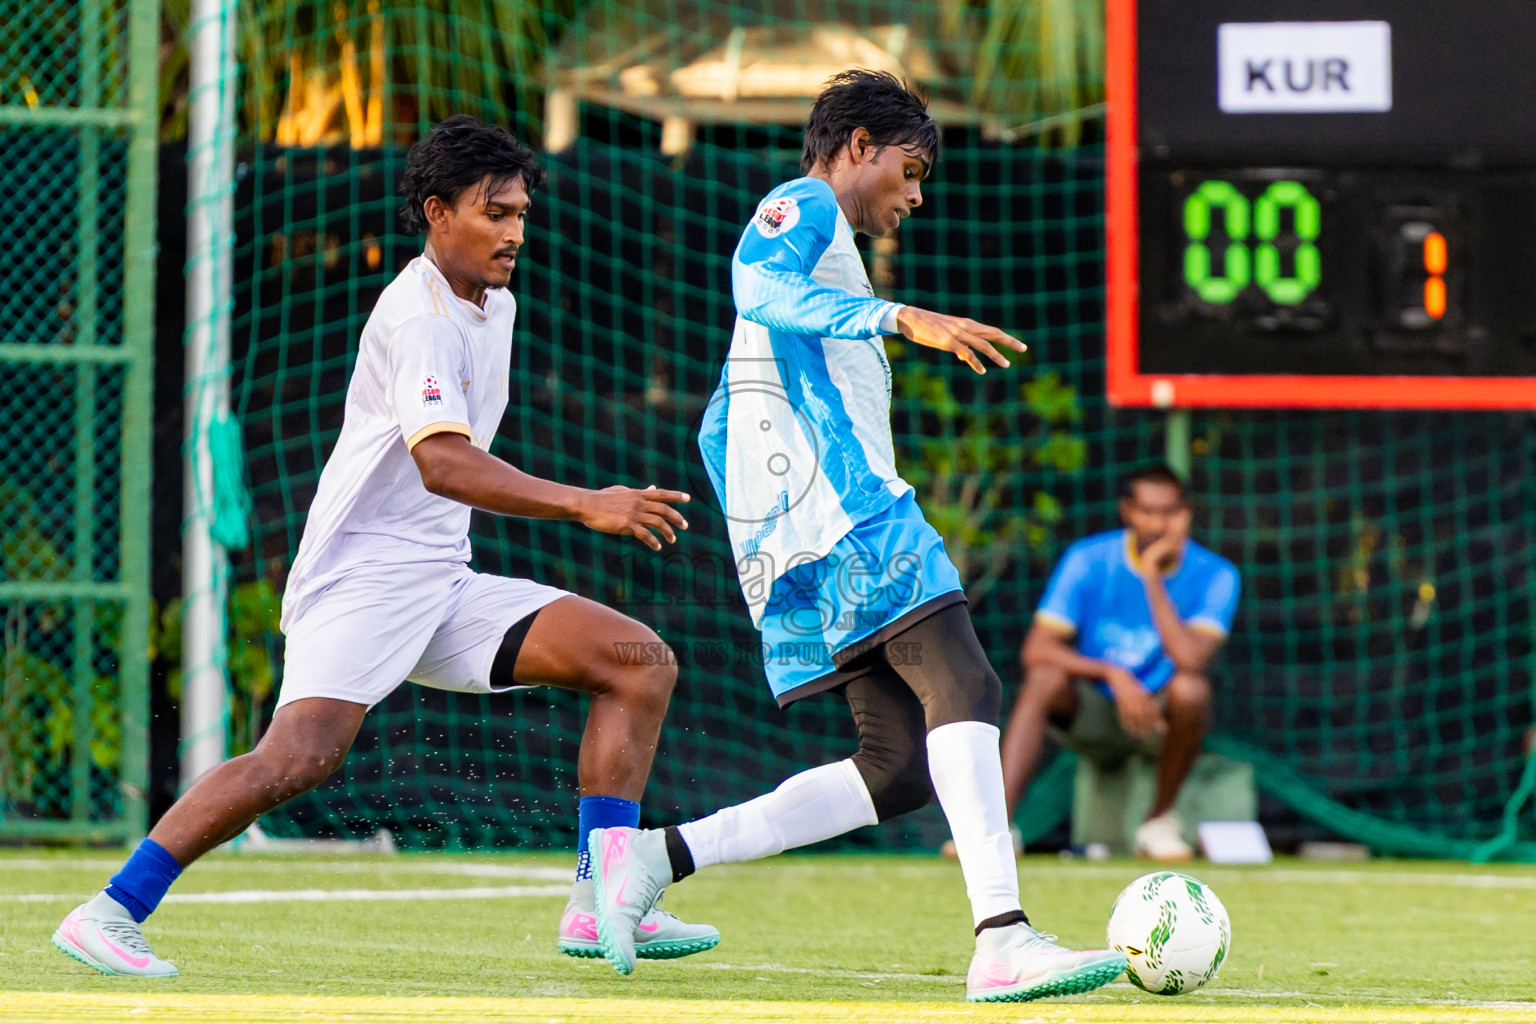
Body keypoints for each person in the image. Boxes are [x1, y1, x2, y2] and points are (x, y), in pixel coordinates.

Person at [52, 115, 717, 977]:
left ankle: (599, 901)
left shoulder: (495, 305)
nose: (514, 231)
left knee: (639, 661)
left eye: (520, 213)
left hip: (440, 578)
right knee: (300, 757)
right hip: (362, 577)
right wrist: (588, 503)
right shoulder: (420, 317)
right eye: (494, 213)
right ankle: (110, 910)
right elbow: (442, 463)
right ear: (437, 213)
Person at [584, 70, 1126, 1004]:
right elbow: (755, 285)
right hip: (847, 516)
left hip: (799, 537)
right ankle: (1002, 937)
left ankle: (652, 859)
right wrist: (901, 315)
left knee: (898, 768)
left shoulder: (838, 252)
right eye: (909, 170)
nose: (915, 196)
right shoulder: (803, 205)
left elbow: (725, 410)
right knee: (970, 681)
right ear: (858, 145)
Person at [998, 465, 1240, 860]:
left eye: (1170, 512)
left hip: (1158, 721)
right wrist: (1113, 673)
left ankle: (1158, 822)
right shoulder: (1088, 558)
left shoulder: (1217, 574)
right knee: (1044, 678)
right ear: (1127, 511)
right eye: (1148, 511)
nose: (1159, 523)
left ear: (1187, 514)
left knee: (1191, 688)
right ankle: (997, 830)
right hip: (1097, 712)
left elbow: (1190, 659)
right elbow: (1035, 650)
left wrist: (1152, 576)